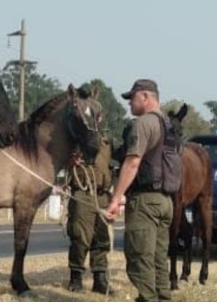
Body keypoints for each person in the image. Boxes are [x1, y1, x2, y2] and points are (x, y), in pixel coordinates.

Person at [105, 79, 174, 302]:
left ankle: (148, 298)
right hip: (166, 202)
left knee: (139, 258)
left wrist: (116, 198)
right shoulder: (168, 125)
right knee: (158, 258)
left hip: (145, 201)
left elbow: (132, 162)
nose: (129, 104)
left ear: (145, 97)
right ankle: (163, 297)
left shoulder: (143, 124)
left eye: (132, 98)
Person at [65, 135, 114, 295]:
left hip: (103, 196)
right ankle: (76, 277)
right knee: (80, 237)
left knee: (102, 239)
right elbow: (60, 158)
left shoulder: (106, 142)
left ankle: (100, 279)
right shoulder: (75, 138)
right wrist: (71, 159)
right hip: (83, 192)